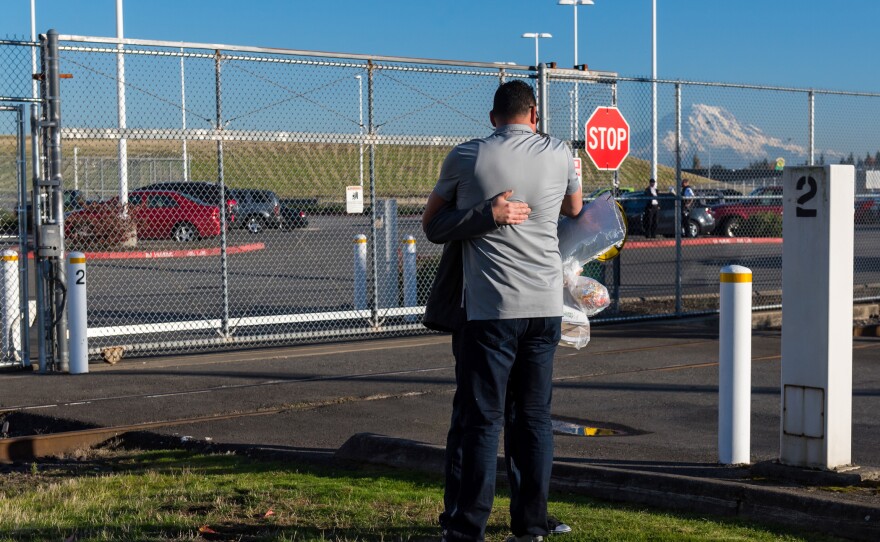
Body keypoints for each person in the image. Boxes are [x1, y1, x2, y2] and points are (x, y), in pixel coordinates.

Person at [422, 80, 583, 542]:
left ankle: (466, 526)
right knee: (532, 417)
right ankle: (530, 525)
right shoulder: (559, 151)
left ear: (493, 118)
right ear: (534, 114)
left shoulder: (467, 155)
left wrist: (486, 214)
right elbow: (573, 207)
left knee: (481, 418)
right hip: (546, 307)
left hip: (490, 310)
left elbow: (433, 226)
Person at [423, 197, 572, 536]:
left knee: (520, 416)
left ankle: (525, 520)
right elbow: (435, 225)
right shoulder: (475, 166)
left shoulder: (547, 163)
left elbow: (573, 211)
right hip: (482, 307)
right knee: (477, 416)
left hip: (527, 310)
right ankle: (465, 519)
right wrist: (487, 215)